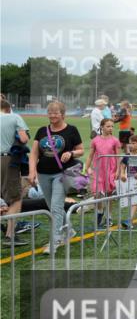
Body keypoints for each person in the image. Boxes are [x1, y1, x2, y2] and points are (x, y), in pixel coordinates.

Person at [29, 101, 84, 253]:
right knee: (52, 207)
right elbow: (34, 153)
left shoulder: (71, 130)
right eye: (50, 112)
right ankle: (69, 231)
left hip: (62, 173)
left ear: (63, 114)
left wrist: (71, 153)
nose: (52, 115)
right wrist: (32, 171)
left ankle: (55, 240)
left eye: (55, 112)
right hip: (43, 173)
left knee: (56, 207)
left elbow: (81, 150)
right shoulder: (42, 131)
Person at [1, 99, 31, 246]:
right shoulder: (15, 117)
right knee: (16, 198)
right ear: (8, 108)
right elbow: (24, 138)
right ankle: (10, 234)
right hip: (7, 160)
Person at [84, 118, 120, 227]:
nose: (110, 128)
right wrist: (87, 167)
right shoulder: (95, 140)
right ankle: (100, 212)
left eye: (112, 126)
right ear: (102, 127)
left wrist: (118, 170)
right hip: (98, 169)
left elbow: (118, 157)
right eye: (108, 126)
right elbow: (90, 155)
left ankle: (109, 217)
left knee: (109, 194)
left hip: (110, 169)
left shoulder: (115, 140)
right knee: (97, 193)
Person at [118, 134, 137, 229]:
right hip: (129, 181)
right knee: (136, 200)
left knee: (135, 200)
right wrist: (122, 174)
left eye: (133, 143)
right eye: (130, 143)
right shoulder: (127, 156)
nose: (130, 145)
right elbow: (123, 166)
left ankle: (129, 220)